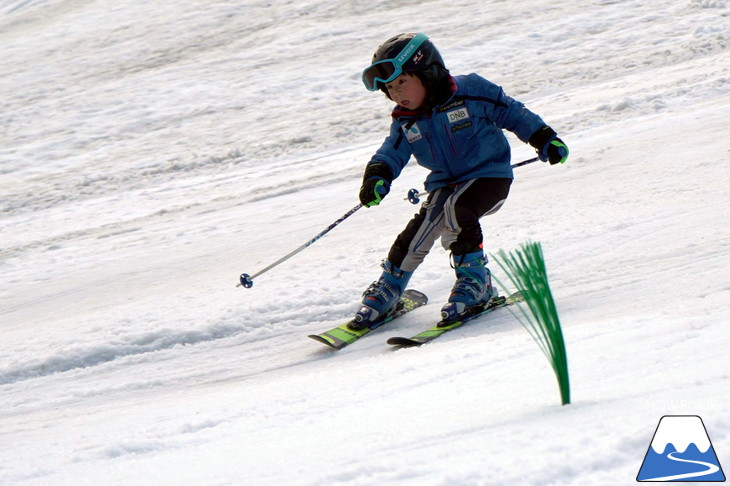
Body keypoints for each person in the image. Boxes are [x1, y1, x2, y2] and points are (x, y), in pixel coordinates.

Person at [351, 32, 568, 329]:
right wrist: (376, 177)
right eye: (389, 88)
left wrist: (544, 139)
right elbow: (391, 152)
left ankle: (476, 282)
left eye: (402, 81)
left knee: (458, 208)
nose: (396, 92)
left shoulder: (471, 91)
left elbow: (512, 113)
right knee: (422, 225)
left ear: (427, 73)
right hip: (446, 185)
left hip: (489, 177)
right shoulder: (405, 119)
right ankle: (390, 285)